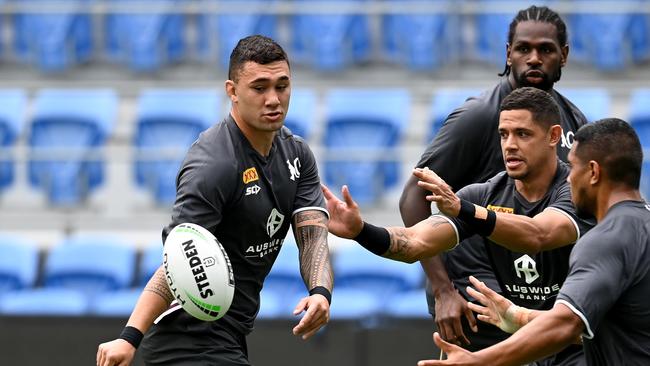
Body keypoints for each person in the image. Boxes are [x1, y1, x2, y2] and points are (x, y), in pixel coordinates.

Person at [96, 35, 333, 366]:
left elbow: (312, 236)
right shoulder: (214, 164)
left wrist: (320, 292)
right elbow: (178, 262)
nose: (273, 99)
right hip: (187, 340)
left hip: (229, 336)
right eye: (259, 87)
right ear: (232, 91)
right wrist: (129, 336)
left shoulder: (298, 155)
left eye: (282, 86)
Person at [324, 87, 593, 365]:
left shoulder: (580, 192)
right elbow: (415, 243)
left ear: (553, 136)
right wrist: (361, 231)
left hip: (581, 344)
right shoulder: (482, 195)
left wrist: (464, 210)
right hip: (524, 340)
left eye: (523, 134)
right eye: (503, 134)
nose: (510, 145)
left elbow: (538, 234)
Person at [398, 5, 588, 353]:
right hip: (476, 295)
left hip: (539, 295)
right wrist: (443, 290)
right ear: (508, 54)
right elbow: (413, 196)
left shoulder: (575, 122)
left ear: (563, 55)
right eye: (523, 49)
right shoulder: (480, 115)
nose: (534, 58)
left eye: (545, 50)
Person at [418, 118, 650, 366]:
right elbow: (617, 326)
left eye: (573, 167)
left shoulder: (605, 239)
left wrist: (477, 361)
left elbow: (566, 325)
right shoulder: (641, 226)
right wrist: (516, 315)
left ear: (593, 172)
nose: (569, 179)